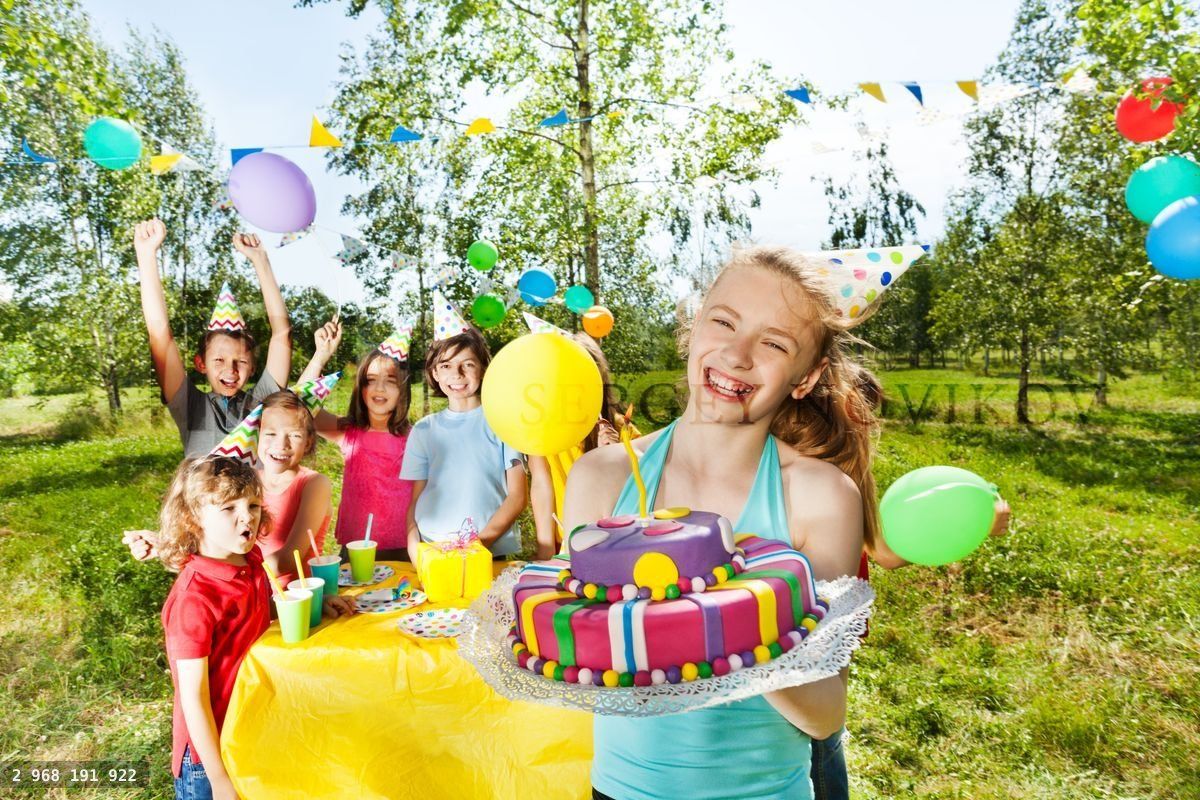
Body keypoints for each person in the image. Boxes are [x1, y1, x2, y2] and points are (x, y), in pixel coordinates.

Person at [564, 245, 884, 799]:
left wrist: (733, 627)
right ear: (693, 329)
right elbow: (589, 660)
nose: (737, 355)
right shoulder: (600, 479)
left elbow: (826, 714)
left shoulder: (818, 496)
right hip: (619, 789)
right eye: (724, 322)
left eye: (774, 343)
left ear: (806, 378)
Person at [156, 456, 350, 800]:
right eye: (228, 508)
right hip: (209, 755)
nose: (247, 516)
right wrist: (219, 781)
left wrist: (313, 607)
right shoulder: (194, 599)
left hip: (248, 727)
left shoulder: (251, 562)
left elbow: (258, 609)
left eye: (254, 504)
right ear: (192, 518)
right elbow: (194, 698)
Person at [133, 218, 292, 458]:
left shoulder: (261, 403)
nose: (231, 370)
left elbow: (282, 334)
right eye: (219, 360)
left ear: (253, 367)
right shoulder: (190, 406)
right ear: (201, 364)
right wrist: (146, 256)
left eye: (240, 361)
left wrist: (261, 260)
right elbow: (160, 336)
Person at [402, 325, 526, 566]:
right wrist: (412, 542)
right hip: (433, 550)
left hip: (487, 551)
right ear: (435, 373)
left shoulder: (502, 423)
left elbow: (517, 496)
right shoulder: (424, 430)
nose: (456, 374)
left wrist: (478, 547)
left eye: (467, 364)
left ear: (482, 369)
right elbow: (417, 497)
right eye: (446, 366)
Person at [296, 319, 414, 560]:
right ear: (361, 387)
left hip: (406, 549)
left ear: (403, 390)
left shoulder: (416, 437)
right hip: (356, 551)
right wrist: (320, 356)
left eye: (390, 381)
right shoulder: (347, 431)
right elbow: (301, 405)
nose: (379, 388)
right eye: (371, 380)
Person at [528, 332, 637, 559]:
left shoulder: (623, 429)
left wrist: (613, 457)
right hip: (565, 548)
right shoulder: (542, 432)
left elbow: (641, 494)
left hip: (618, 544)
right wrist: (546, 550)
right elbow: (542, 487)